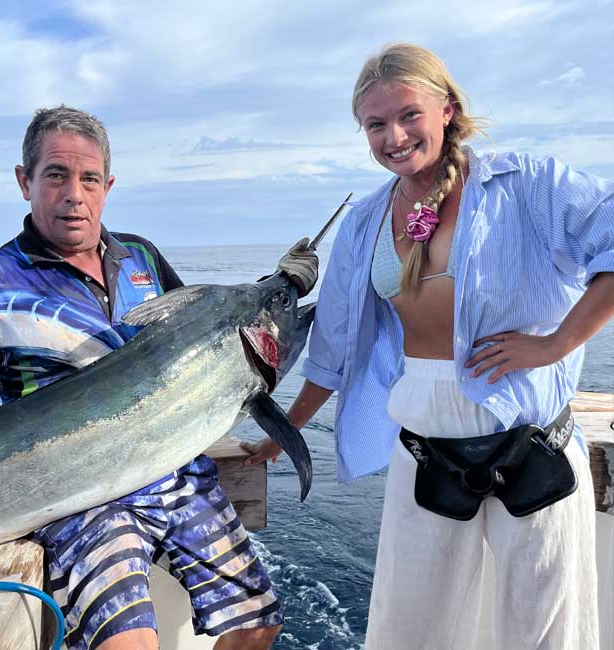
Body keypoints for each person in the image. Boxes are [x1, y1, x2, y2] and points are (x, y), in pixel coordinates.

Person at [0, 105, 318, 650]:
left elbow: (204, 338)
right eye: (56, 175)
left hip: (178, 478)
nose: (75, 193)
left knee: (258, 627)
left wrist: (278, 285)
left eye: (89, 178)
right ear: (24, 182)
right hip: (81, 498)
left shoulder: (141, 256)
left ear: (108, 185)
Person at [243, 43, 614, 649]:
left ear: (447, 108)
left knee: (545, 633)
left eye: (409, 114)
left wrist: (556, 344)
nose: (395, 135)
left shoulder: (527, 185)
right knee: (409, 628)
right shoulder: (366, 221)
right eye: (375, 124)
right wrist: (284, 433)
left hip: (533, 443)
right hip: (426, 447)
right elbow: (332, 347)